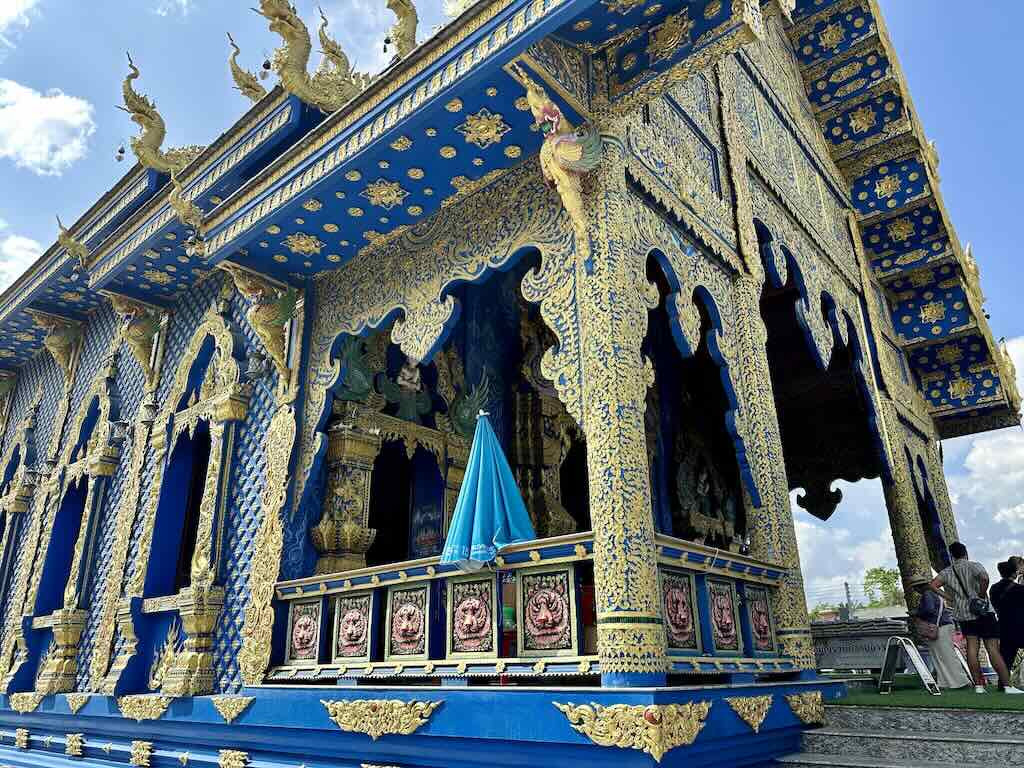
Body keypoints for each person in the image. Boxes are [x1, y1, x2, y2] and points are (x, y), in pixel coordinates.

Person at [929, 542, 1023, 694]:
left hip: (964, 613)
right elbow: (984, 578)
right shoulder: (974, 565)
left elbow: (933, 585)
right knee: (992, 648)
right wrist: (980, 593)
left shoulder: (947, 572)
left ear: (952, 555)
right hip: (983, 612)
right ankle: (1007, 685)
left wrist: (949, 597)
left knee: (972, 648)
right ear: (965, 552)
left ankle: (979, 686)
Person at [914, 583, 970, 689]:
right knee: (943, 655)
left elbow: (929, 610)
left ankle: (961, 681)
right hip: (943, 626)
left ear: (919, 587)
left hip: (939, 627)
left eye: (915, 587)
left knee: (945, 655)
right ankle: (948, 682)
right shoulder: (935, 594)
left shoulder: (927, 594)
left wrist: (917, 613)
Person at [991, 560, 1024, 681]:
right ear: (1014, 574)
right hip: (1020, 625)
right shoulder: (1020, 589)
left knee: (1006, 656)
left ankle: (1003, 682)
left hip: (1004, 625)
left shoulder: (993, 589)